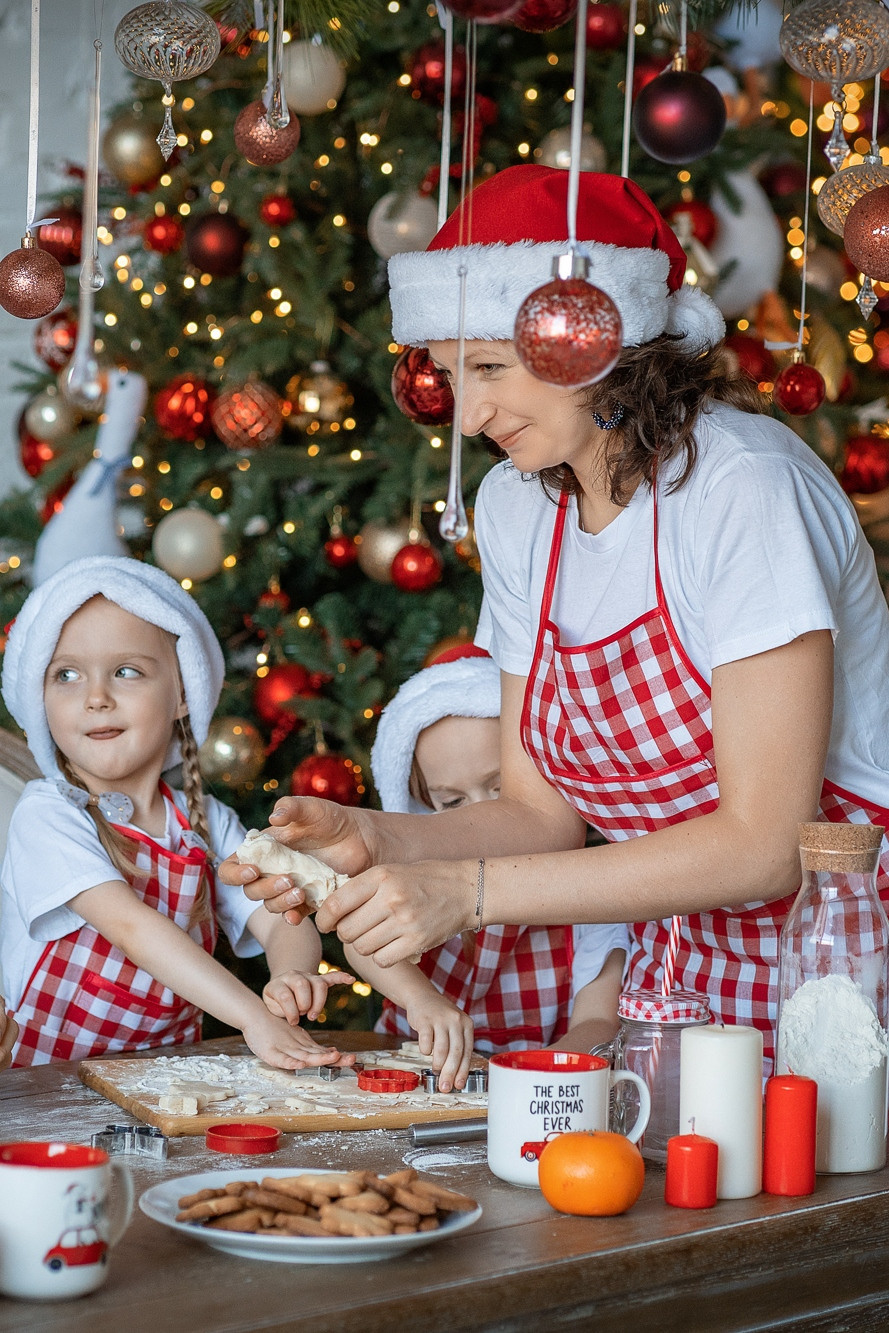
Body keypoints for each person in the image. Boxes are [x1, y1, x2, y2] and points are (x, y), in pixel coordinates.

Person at [223, 165, 889, 1075]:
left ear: (599, 335)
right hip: (683, 965)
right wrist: (374, 838)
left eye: (492, 368)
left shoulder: (741, 488)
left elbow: (767, 845)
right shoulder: (517, 507)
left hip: (847, 967)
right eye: (452, 375)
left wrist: (469, 892)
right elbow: (542, 812)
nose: (468, 418)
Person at [0, 556, 354, 1070]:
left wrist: (291, 973)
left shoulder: (207, 823)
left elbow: (283, 911)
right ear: (41, 699)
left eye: (126, 671)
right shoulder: (49, 814)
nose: (96, 697)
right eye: (67, 675)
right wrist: (254, 1016)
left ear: (183, 694)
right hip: (47, 1085)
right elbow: (131, 927)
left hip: (165, 1081)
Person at [368, 643, 627, 1056]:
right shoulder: (417, 872)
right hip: (407, 1070)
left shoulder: (592, 889)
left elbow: (597, 1020)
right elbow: (358, 941)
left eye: (502, 789)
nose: (483, 818)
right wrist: (423, 1001)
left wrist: (530, 1074)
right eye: (452, 803)